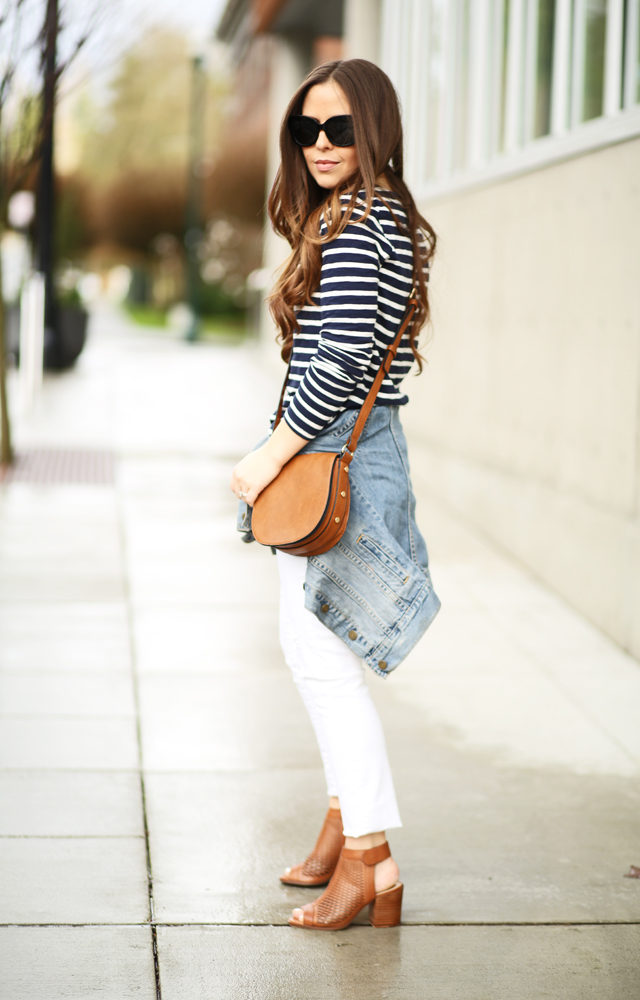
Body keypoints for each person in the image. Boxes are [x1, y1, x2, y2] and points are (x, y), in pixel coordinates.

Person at [231, 59, 440, 931]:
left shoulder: (360, 222)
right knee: (315, 649)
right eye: (308, 130)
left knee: (320, 659)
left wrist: (267, 455)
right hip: (352, 451)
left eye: (341, 129)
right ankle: (340, 820)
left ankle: (371, 863)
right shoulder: (369, 213)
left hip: (327, 458)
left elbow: (341, 363)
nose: (321, 145)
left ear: (375, 130)